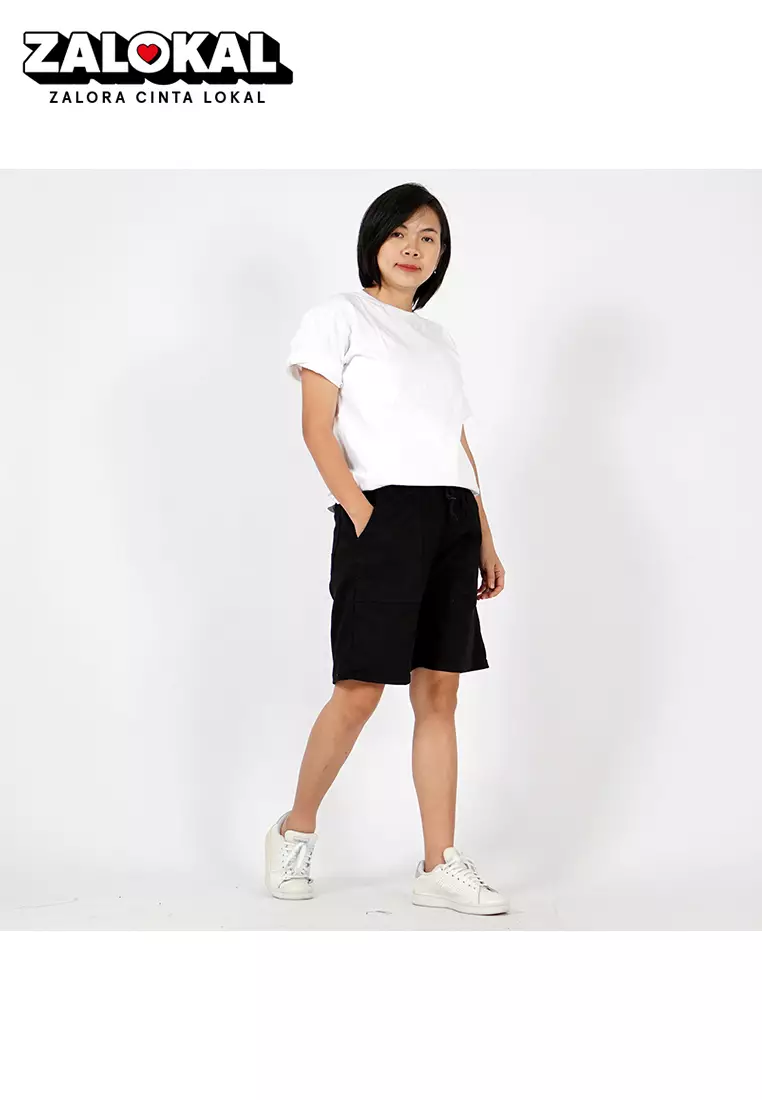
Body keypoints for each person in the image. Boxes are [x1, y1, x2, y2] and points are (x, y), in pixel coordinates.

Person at [265, 182, 508, 915]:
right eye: (400, 232)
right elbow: (317, 427)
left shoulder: (439, 340)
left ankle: (439, 864)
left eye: (429, 237)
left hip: (451, 514)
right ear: (375, 239)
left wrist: (484, 534)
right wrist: (364, 515)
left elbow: (454, 442)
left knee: (440, 693)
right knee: (360, 689)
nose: (413, 248)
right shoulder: (337, 317)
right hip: (383, 514)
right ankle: (295, 830)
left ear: (441, 255)